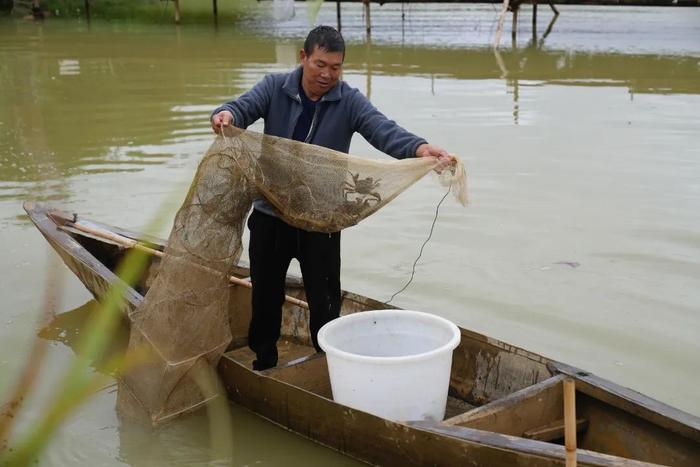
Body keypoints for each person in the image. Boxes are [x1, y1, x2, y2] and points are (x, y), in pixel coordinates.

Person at [211, 26, 453, 371]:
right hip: (270, 216)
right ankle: (263, 363)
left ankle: (327, 367)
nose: (327, 74)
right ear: (303, 57)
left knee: (325, 303)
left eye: (335, 67)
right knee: (265, 296)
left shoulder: (349, 101)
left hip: (321, 219)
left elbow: (382, 129)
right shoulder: (273, 88)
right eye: (320, 64)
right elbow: (241, 107)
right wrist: (225, 115)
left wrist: (420, 148)